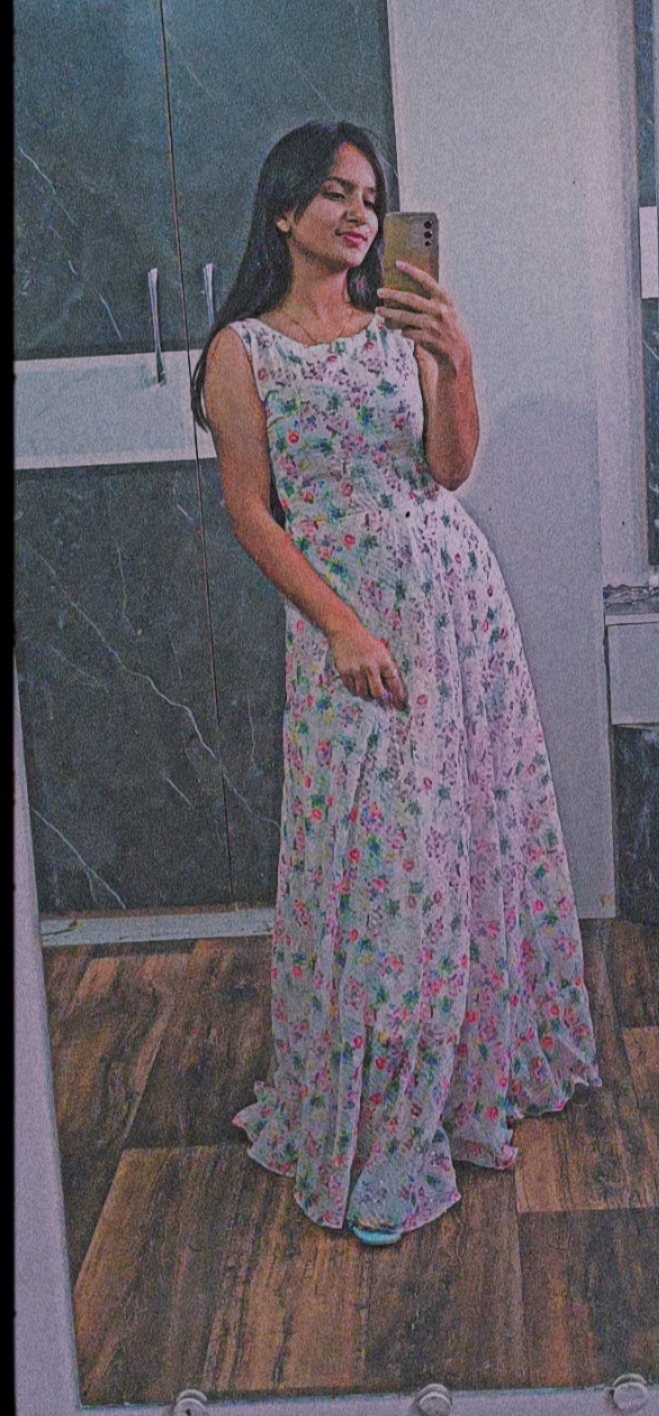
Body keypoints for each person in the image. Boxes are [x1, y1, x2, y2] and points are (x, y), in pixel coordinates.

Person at [191, 120, 600, 1245]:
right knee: (379, 874)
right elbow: (251, 511)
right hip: (350, 635)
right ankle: (380, 1123)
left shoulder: (398, 326)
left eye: (370, 197)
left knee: (457, 846)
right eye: (334, 193)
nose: (358, 213)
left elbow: (449, 468)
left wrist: (455, 356)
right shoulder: (243, 352)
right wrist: (338, 626)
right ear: (284, 210)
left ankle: (448, 1100)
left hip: (456, 613)